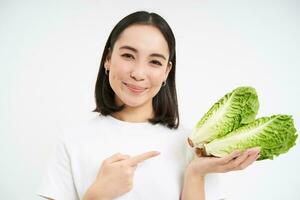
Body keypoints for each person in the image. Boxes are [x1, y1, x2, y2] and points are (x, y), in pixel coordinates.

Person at [36, 11, 260, 200]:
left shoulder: (194, 146)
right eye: (128, 55)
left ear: (166, 72)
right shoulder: (72, 140)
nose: (138, 73)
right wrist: (97, 195)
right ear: (108, 58)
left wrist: (195, 174)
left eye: (154, 61)